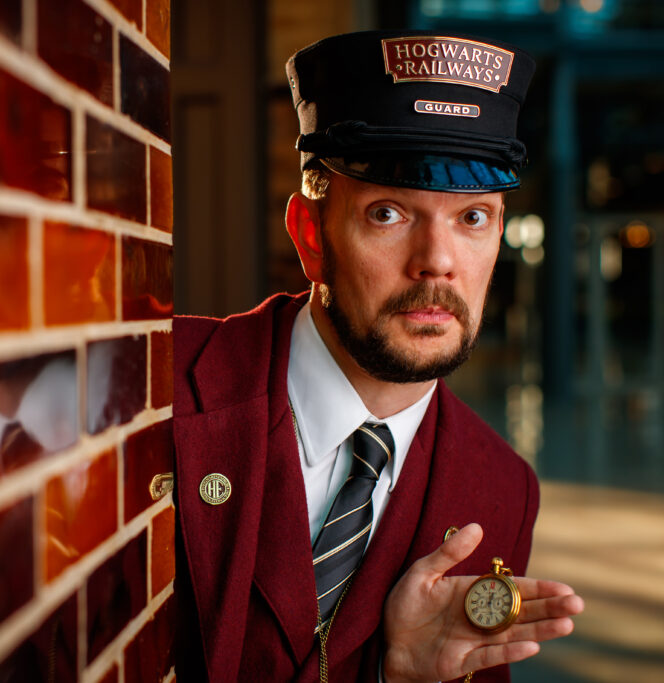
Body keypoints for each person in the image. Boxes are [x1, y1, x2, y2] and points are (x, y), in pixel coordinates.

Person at [172, 30, 584, 682]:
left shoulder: (502, 489)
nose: (439, 262)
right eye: (388, 212)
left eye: (472, 217)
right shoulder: (157, 379)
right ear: (311, 235)